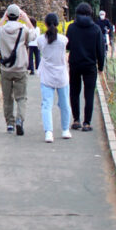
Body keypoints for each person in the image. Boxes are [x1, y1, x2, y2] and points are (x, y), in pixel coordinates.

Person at [0, 4, 36, 136]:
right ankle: (19, 120)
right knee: (21, 98)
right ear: (18, 16)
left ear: (7, 16)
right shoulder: (23, 30)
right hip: (21, 68)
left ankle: (10, 124)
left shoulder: (1, 31)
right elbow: (34, 35)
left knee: (7, 98)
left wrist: (2, 19)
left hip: (6, 69)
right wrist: (27, 20)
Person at [66, 2, 105, 132]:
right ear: (90, 13)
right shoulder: (96, 29)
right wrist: (101, 66)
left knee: (74, 92)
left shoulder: (71, 28)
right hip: (90, 66)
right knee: (89, 94)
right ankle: (87, 122)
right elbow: (100, 49)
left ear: (77, 13)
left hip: (75, 64)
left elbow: (68, 46)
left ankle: (76, 120)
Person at [37, 13, 72, 143]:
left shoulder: (41, 39)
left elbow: (39, 43)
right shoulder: (64, 39)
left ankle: (49, 133)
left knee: (46, 105)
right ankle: (65, 130)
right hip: (62, 75)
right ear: (57, 23)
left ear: (45, 24)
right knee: (64, 104)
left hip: (47, 75)